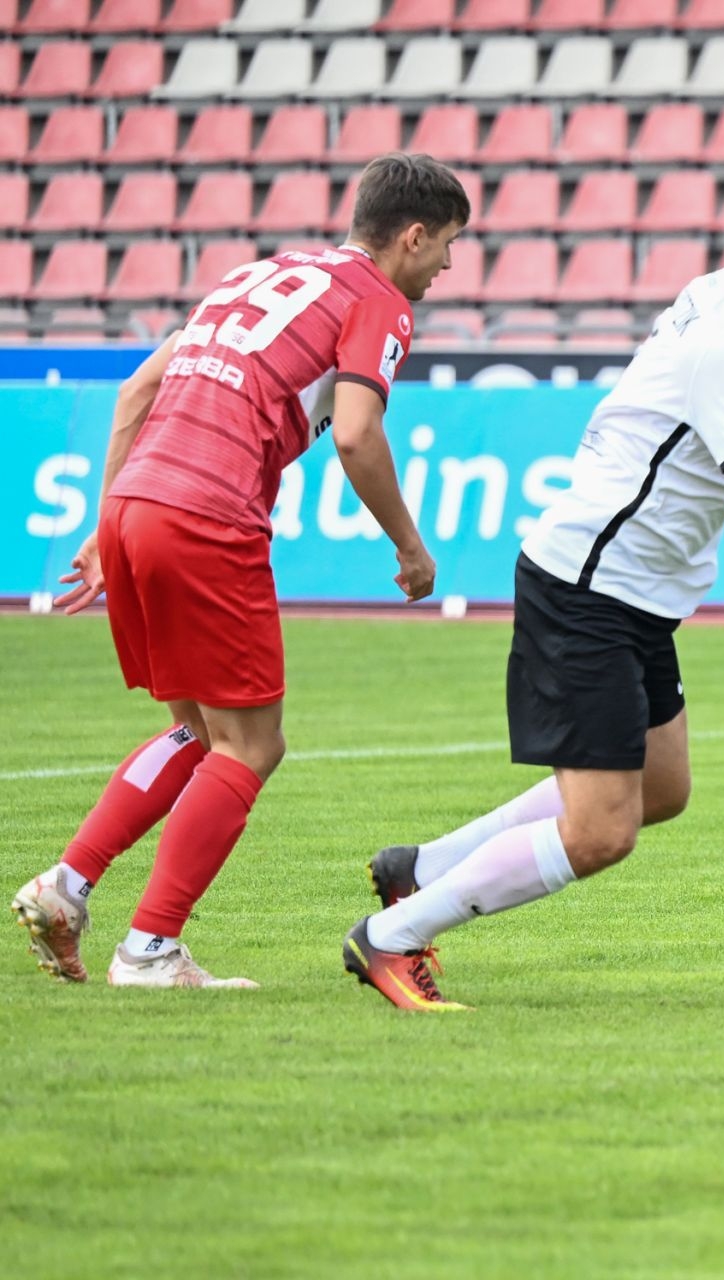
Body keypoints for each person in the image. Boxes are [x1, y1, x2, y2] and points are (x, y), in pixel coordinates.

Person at [342, 151, 724, 1011]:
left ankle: (422, 869)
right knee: (602, 831)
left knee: (661, 787)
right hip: (589, 587)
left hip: (632, 592)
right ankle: (390, 936)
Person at [10, 153, 469, 987]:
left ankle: (66, 887)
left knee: (200, 733)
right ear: (412, 236)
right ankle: (149, 949)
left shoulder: (257, 274)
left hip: (136, 503)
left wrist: (105, 522)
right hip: (208, 512)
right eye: (446, 244)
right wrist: (409, 545)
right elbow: (357, 433)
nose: (447, 265)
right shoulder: (379, 302)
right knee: (252, 744)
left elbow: (135, 393)